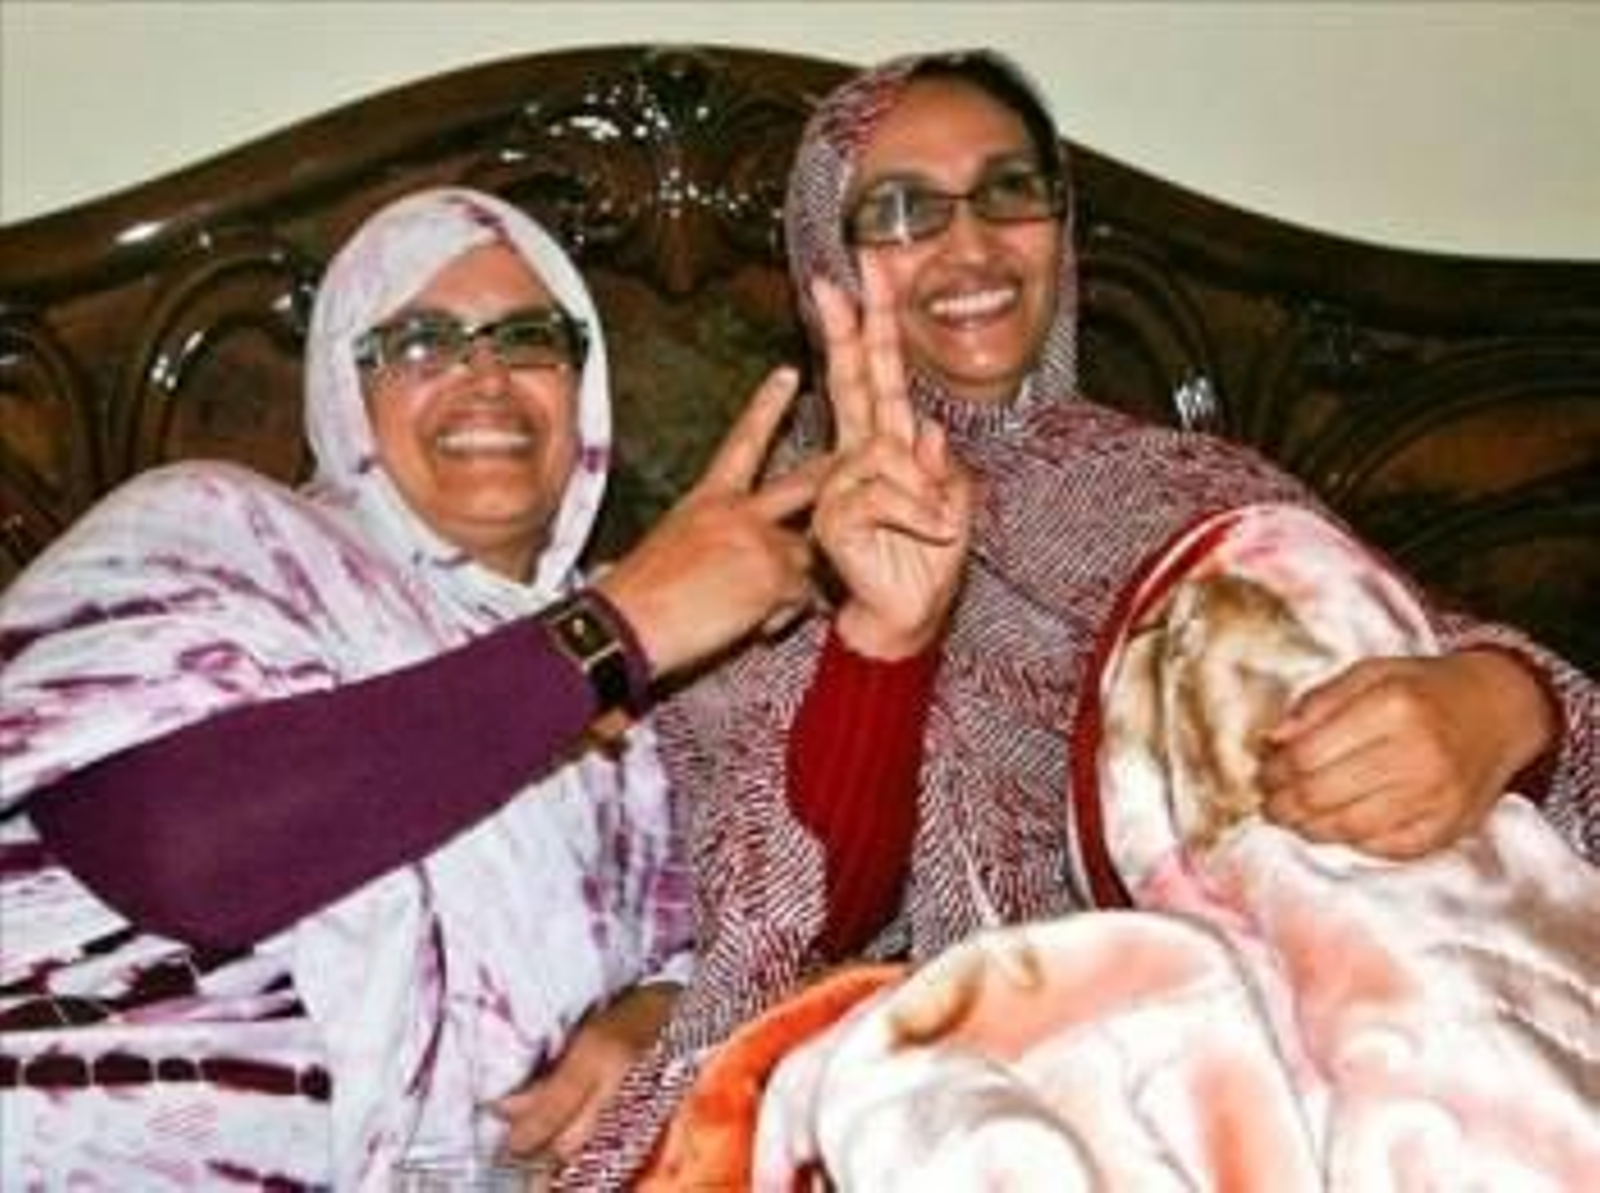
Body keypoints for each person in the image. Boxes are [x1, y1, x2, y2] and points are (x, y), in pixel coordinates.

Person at [555, 48, 1600, 1188]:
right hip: (983, 1058)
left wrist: (1506, 704)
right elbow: (776, 932)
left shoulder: (1193, 487)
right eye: (902, 210)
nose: (970, 245)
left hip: (1341, 989)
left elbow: (1396, 650)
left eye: (1010, 190)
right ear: (823, 263)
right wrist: (884, 646)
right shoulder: (755, 542)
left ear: (1061, 227)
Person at [0, 187, 832, 1189]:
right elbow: (175, 850)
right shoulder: (218, 533)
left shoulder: (660, 688)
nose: (485, 378)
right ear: (340, 387)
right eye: (421, 341)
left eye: (528, 338)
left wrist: (654, 1015)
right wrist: (614, 630)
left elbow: (760, 917)